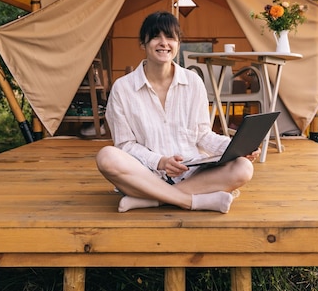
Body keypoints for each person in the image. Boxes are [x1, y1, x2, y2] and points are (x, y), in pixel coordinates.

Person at [96, 11, 260, 213]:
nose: (163, 43)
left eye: (170, 37)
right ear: (143, 44)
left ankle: (153, 200)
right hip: (145, 174)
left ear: (178, 43)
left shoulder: (193, 82)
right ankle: (191, 201)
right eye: (156, 37)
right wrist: (160, 161)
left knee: (244, 167)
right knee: (107, 156)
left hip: (193, 173)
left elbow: (203, 135)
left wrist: (237, 147)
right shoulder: (123, 88)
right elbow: (124, 145)